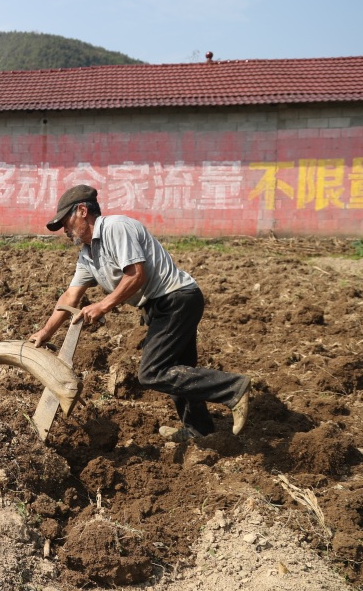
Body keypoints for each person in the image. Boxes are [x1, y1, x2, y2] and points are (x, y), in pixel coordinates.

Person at [29, 184, 250, 441]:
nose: (65, 230)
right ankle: (201, 431)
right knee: (178, 370)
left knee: (153, 372)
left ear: (81, 211)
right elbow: (70, 296)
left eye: (65, 222)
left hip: (177, 299)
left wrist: (102, 306)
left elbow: (136, 274)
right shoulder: (88, 254)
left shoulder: (115, 228)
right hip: (161, 305)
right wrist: (45, 333)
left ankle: (233, 388)